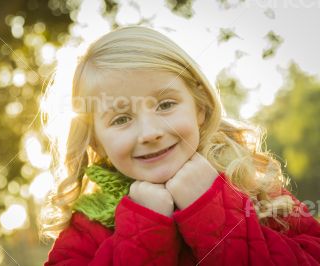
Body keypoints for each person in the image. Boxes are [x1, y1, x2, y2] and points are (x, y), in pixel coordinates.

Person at [42, 26, 320, 265]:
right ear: (97, 142)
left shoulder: (253, 188)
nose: (150, 133)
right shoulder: (87, 229)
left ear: (199, 107)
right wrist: (144, 225)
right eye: (121, 118)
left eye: (165, 105)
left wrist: (210, 208)